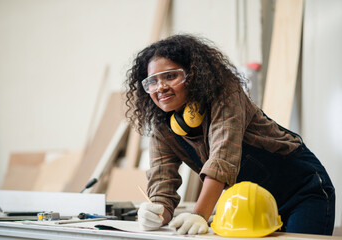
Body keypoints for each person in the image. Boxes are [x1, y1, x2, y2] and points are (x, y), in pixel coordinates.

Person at [124, 34, 335, 235]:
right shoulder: (163, 129)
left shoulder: (225, 94)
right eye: (152, 81)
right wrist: (157, 213)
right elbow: (163, 183)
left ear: (193, 75)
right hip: (254, 208)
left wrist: (199, 214)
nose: (161, 87)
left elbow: (222, 156)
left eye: (171, 76)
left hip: (302, 192)